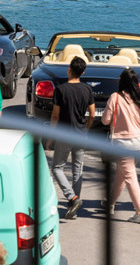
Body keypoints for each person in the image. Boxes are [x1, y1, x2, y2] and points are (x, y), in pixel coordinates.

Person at [102, 67, 140, 223]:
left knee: (129, 177)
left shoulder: (115, 97)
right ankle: (110, 203)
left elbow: (105, 120)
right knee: (122, 175)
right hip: (139, 143)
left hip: (121, 144)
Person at [49, 56, 95, 220]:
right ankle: (73, 207)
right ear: (83, 72)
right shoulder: (87, 89)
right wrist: (86, 128)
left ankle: (72, 197)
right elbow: (92, 113)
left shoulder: (61, 89)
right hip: (81, 133)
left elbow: (55, 116)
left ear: (69, 69)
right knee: (77, 170)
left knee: (57, 167)